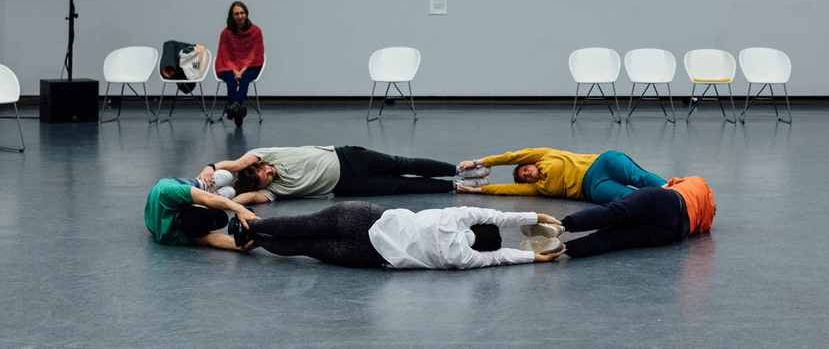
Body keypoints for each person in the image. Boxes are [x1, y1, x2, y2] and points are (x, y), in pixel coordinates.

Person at [230, 202, 564, 270]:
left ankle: (250, 225)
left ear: (479, 227)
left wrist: (538, 216)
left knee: (304, 224)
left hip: (366, 216)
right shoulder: (463, 258)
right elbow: (499, 258)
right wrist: (534, 256)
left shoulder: (458, 216)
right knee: (307, 249)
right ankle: (255, 241)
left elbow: (499, 216)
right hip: (371, 255)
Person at [198, 145, 488, 204]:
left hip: (347, 157)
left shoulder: (265, 155)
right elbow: (244, 199)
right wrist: (216, 198)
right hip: (349, 185)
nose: (268, 172)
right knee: (401, 186)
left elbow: (236, 164)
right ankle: (455, 186)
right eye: (265, 176)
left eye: (264, 169)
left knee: (403, 163)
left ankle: (460, 170)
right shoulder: (270, 191)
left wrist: (211, 168)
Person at [533, 176, 715, 259]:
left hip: (666, 200)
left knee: (612, 213)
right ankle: (563, 249)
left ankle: (561, 226)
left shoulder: (699, 182)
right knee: (613, 239)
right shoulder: (707, 223)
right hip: (669, 231)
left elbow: (667, 185)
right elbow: (695, 231)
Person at [456, 147, 666, 204]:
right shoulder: (537, 188)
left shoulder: (544, 155)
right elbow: (505, 190)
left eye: (525, 168)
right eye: (525, 176)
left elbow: (512, 157)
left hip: (602, 163)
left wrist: (478, 162)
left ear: (530, 163)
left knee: (640, 177)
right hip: (592, 187)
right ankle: (669, 205)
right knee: (628, 198)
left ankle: (674, 190)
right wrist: (476, 190)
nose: (527, 173)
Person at [144, 177, 257, 250]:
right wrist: (239, 246)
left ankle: (203, 185)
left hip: (167, 185)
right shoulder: (168, 236)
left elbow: (207, 198)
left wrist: (240, 209)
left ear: (194, 205)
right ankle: (214, 192)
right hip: (156, 210)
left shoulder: (169, 193)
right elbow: (211, 239)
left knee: (219, 179)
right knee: (228, 192)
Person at [215, 0, 264, 127]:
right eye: (236, 14)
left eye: (242, 13)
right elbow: (224, 54)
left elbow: (256, 54)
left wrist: (242, 69)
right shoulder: (226, 33)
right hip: (229, 67)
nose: (240, 16)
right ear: (231, 16)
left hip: (250, 66)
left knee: (245, 77)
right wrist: (234, 69)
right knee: (231, 79)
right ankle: (238, 111)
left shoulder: (256, 31)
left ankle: (233, 109)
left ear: (246, 14)